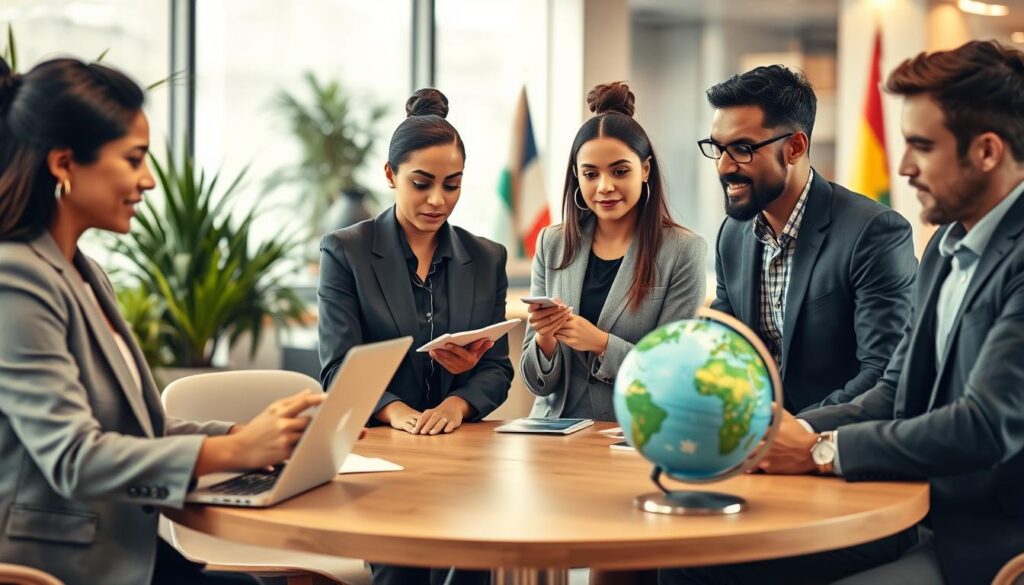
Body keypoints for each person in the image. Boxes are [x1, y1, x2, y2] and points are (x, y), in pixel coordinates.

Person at [661, 40, 1024, 585]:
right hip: (912, 502)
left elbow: (983, 425)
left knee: (719, 567)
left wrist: (822, 448)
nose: (902, 167)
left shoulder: (903, 237)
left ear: (988, 151)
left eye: (921, 146)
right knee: (682, 558)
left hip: (980, 541)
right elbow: (897, 389)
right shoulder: (948, 249)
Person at [0, 58, 323, 585]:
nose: (148, 180)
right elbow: (74, 457)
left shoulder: (86, 273)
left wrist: (247, 434)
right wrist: (236, 451)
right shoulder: (15, 278)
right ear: (64, 164)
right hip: (62, 567)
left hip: (127, 549)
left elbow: (131, 428)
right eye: (133, 160)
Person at [317, 88, 511, 585]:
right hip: (383, 456)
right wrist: (397, 413)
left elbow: (497, 368)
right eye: (421, 183)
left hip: (463, 455)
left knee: (472, 569)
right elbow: (337, 366)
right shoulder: (347, 252)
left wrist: (457, 406)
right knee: (399, 573)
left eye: (453, 185)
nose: (437, 200)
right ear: (390, 176)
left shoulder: (487, 258)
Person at [701, 65, 917, 413]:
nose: (724, 166)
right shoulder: (733, 234)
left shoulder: (874, 232)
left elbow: (884, 373)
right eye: (718, 147)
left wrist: (798, 431)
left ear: (795, 147)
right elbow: (726, 350)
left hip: (835, 447)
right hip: (752, 444)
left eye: (742, 148)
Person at [521, 81, 706, 422]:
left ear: (645, 170)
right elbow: (536, 384)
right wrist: (545, 338)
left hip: (631, 431)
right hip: (551, 432)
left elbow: (670, 374)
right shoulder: (552, 243)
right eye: (590, 174)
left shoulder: (682, 251)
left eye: (620, 171)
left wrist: (601, 343)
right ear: (577, 177)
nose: (604, 186)